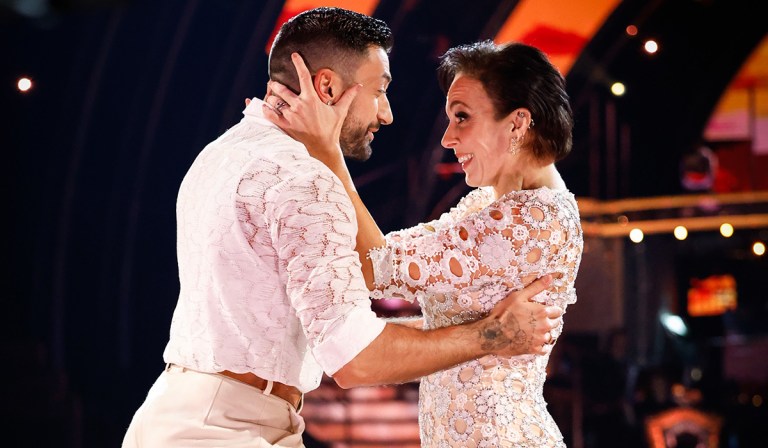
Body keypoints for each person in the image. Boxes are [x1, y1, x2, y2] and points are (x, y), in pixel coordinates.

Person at [122, 8, 564, 447]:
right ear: (328, 87)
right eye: (380, 90)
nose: (387, 114)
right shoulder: (306, 180)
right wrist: (492, 334)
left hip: (177, 414)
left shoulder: (220, 152)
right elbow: (357, 357)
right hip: (228, 429)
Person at [264, 39, 583, 447]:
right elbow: (431, 308)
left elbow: (376, 266)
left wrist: (327, 151)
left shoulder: (530, 220)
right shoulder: (488, 205)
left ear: (517, 123)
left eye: (462, 117)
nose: (447, 138)